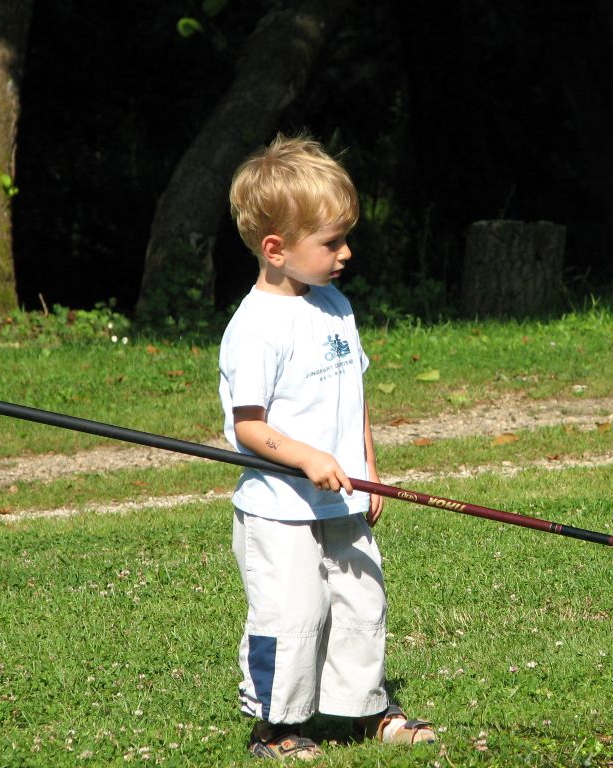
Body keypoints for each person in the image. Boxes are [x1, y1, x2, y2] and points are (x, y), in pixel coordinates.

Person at [219, 133, 437, 760]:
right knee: (292, 615)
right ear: (276, 249)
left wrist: (368, 464)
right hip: (279, 507)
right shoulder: (256, 328)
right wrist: (307, 458)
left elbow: (355, 393)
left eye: (345, 237)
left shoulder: (335, 305)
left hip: (344, 498)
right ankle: (276, 723)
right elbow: (250, 429)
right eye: (331, 242)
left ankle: (363, 709)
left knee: (360, 600)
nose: (346, 252)